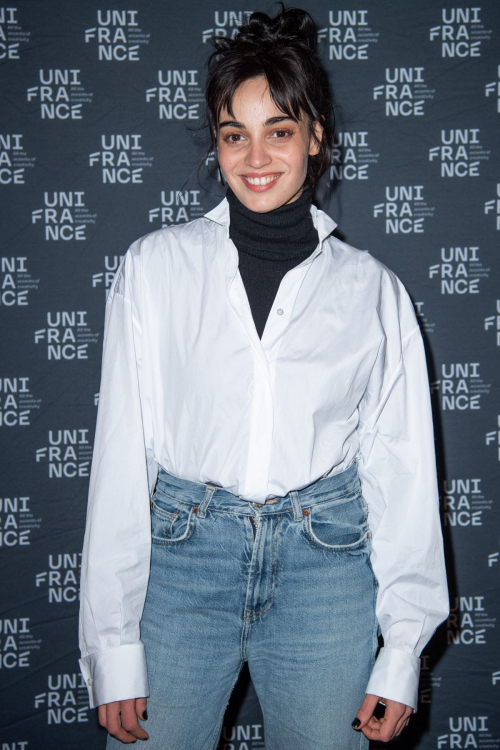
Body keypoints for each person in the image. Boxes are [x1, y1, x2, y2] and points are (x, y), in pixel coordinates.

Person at [78, 6, 449, 749]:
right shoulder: (154, 270)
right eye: (232, 133)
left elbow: (402, 475)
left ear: (315, 137)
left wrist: (403, 648)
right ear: (215, 145)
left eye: (279, 130)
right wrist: (111, 647)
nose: (256, 156)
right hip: (182, 566)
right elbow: (121, 459)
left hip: (327, 572)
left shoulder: (373, 291)